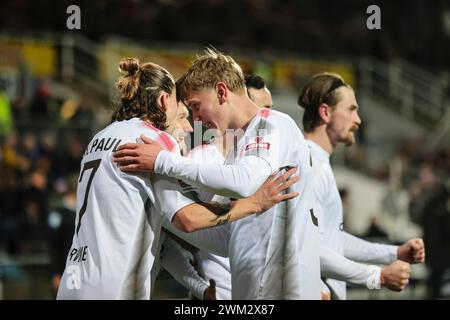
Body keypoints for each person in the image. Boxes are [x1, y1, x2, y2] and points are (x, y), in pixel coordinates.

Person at [56, 58, 299, 300]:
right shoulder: (152, 141)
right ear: (163, 101)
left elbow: (165, 239)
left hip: (73, 281)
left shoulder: (100, 138)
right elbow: (187, 219)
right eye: (183, 112)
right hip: (115, 287)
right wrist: (254, 204)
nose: (191, 126)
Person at [113, 48, 322, 299]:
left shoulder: (273, 123)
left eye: (196, 106)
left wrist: (162, 161)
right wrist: (169, 213)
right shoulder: (237, 152)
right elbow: (225, 241)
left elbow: (244, 183)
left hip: (285, 287)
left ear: (222, 91)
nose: (197, 119)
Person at [298, 72, 425, 299]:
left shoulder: (318, 163)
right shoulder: (309, 166)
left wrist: (394, 252)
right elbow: (308, 249)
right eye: (351, 109)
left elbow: (332, 241)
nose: (358, 120)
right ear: (325, 112)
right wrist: (379, 276)